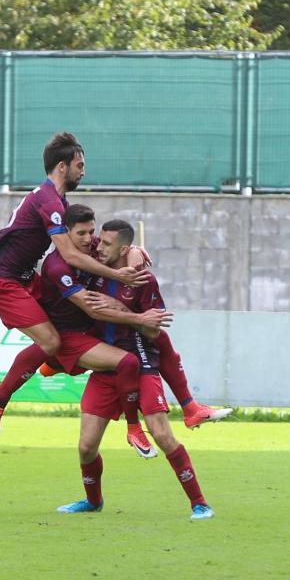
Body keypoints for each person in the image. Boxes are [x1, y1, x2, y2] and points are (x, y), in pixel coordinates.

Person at [0, 133, 149, 436]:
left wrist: (130, 249)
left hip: (24, 278)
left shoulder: (58, 201)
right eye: (79, 165)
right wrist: (117, 275)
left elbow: (85, 239)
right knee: (51, 341)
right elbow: (71, 252)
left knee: (72, 323)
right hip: (2, 281)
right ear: (62, 166)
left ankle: (54, 363)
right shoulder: (49, 202)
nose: (83, 171)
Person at [56, 222, 215, 520]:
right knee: (86, 446)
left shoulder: (144, 281)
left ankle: (200, 503)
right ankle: (93, 501)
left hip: (141, 364)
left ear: (124, 249)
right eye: (98, 241)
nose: (98, 247)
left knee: (161, 435)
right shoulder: (93, 269)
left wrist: (121, 308)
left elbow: (154, 332)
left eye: (106, 244)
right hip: (107, 366)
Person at [0, 204, 172, 437]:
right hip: (68, 330)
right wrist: (138, 317)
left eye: (91, 232)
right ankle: (0, 396)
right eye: (80, 233)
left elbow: (113, 244)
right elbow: (92, 308)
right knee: (117, 358)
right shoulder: (57, 266)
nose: (88, 239)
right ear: (65, 233)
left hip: (86, 328)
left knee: (157, 337)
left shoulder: (94, 245)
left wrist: (132, 250)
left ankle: (188, 406)